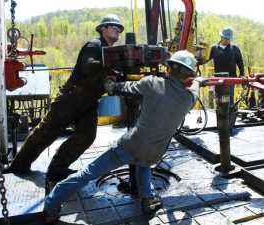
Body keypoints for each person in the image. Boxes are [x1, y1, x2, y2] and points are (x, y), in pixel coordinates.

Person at [42, 50, 206, 225]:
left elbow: (124, 88)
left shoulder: (152, 83)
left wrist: (111, 85)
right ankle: (147, 198)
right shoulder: (189, 98)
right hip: (155, 153)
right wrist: (197, 81)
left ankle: (51, 204)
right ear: (188, 74)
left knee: (88, 173)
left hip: (130, 146)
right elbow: (195, 87)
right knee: (143, 163)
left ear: (169, 68)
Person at [5, 14, 124, 191]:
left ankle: (57, 169)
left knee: (86, 136)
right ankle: (19, 166)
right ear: (103, 29)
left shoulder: (110, 52)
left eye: (119, 28)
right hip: (72, 97)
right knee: (47, 132)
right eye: (113, 26)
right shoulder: (95, 45)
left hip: (89, 101)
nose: (117, 29)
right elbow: (88, 65)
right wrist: (110, 65)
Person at [208, 26, 245, 106]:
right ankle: (221, 115)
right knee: (219, 100)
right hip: (218, 79)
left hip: (230, 79)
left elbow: (240, 63)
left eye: (228, 39)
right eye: (225, 38)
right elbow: (205, 59)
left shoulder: (234, 49)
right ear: (221, 37)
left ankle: (229, 115)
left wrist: (242, 75)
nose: (227, 40)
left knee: (227, 100)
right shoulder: (214, 48)